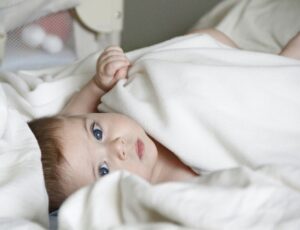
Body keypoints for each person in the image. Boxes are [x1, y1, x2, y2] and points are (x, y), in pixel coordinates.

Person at [28, 29, 300, 212]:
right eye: (103, 170)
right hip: (266, 130)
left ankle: (274, 68)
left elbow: (68, 118)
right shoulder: (166, 194)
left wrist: (98, 84)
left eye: (97, 132)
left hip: (238, 85)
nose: (117, 147)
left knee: (220, 42)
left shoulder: (134, 108)